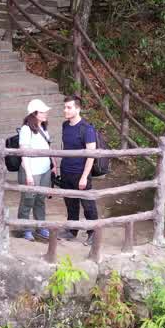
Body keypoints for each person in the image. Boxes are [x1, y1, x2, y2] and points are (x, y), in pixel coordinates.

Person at [57, 95, 98, 244]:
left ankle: (93, 232)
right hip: (66, 171)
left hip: (81, 172)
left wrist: (84, 176)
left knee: (88, 204)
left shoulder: (87, 129)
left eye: (69, 107)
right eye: (65, 107)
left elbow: (91, 155)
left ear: (78, 109)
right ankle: (72, 230)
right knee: (70, 203)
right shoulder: (65, 125)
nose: (65, 110)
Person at [16, 99, 53, 241]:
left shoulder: (43, 128)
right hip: (31, 170)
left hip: (44, 170)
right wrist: (29, 175)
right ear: (34, 113)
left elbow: (47, 147)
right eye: (42, 111)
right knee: (28, 199)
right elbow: (24, 152)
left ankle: (41, 226)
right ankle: (25, 228)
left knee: (40, 199)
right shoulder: (26, 130)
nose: (46, 113)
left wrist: (53, 164)